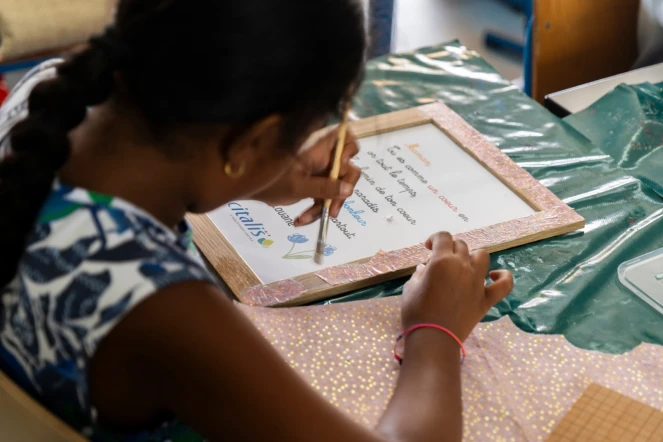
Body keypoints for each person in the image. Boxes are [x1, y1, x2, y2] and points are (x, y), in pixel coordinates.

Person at [0, 0, 514, 441]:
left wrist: (263, 175)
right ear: (249, 142)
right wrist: (435, 330)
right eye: (297, 136)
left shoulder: (46, 98)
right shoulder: (161, 308)